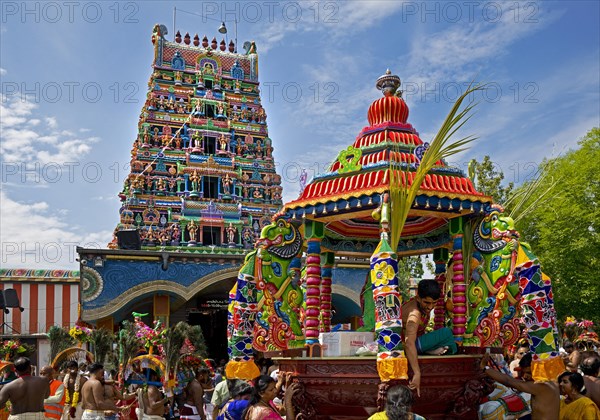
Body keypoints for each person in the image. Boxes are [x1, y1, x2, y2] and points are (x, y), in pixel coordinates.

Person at [401, 279, 458, 396]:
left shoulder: (421, 306)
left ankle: (430, 350)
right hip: (405, 347)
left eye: (434, 303)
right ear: (418, 298)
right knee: (446, 333)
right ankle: (433, 351)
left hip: (416, 343)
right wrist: (417, 373)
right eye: (427, 303)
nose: (430, 307)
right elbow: (408, 343)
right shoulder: (414, 314)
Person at [482, 352, 560, 420]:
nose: (525, 376)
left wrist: (484, 368)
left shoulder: (542, 385)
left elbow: (509, 381)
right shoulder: (551, 382)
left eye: (529, 373)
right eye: (524, 373)